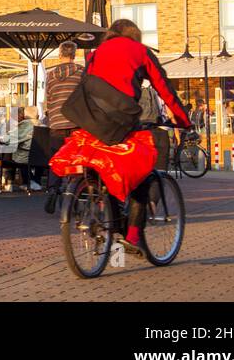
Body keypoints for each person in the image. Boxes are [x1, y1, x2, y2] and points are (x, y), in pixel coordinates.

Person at [51, 18, 191, 254]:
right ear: (135, 34)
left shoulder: (97, 52)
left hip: (85, 116)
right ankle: (133, 235)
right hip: (119, 118)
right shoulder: (141, 52)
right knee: (140, 172)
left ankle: (99, 204)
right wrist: (184, 120)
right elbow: (164, 87)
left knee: (102, 161)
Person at [43, 42, 84, 210]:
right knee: (76, 159)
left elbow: (49, 100)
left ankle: (53, 189)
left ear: (60, 55)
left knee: (57, 159)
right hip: (76, 123)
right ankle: (73, 192)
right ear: (74, 55)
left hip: (56, 124)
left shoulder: (51, 75)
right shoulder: (81, 72)